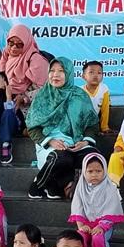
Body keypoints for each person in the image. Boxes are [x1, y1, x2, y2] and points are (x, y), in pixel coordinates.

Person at [26, 57, 99, 200]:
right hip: (49, 144)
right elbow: (32, 129)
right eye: (52, 71)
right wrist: (50, 141)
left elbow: (92, 124)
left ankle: (56, 185)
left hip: (75, 142)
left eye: (61, 71)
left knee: (93, 157)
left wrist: (85, 142)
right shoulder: (42, 96)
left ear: (69, 73)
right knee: (61, 158)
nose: (55, 75)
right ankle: (38, 185)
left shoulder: (80, 96)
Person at [70, 153, 124, 247]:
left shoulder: (109, 187)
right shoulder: (80, 187)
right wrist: (81, 225)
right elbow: (78, 206)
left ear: (105, 171)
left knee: (98, 238)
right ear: (84, 171)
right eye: (90, 171)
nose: (94, 174)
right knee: (79, 237)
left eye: (98, 171)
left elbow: (112, 208)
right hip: (86, 224)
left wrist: (101, 226)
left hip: (104, 225)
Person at [0, 23, 49, 114]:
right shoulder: (6, 54)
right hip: (8, 97)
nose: (13, 48)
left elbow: (45, 89)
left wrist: (24, 97)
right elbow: (0, 74)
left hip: (27, 107)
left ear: (27, 43)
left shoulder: (36, 60)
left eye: (19, 45)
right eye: (11, 43)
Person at [81, 61, 112, 134]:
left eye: (99, 73)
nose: (95, 75)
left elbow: (105, 110)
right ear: (83, 76)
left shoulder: (104, 89)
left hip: (93, 123)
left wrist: (104, 127)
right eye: (91, 72)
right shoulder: (79, 91)